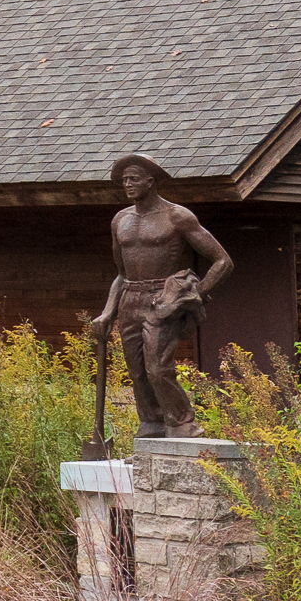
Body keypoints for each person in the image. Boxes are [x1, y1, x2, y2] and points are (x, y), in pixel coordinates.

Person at [98, 153, 231, 436]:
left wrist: (195, 295)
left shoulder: (177, 216)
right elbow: (121, 274)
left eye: (133, 178)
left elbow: (222, 261)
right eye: (124, 180)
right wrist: (108, 312)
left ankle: (183, 422)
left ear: (151, 180)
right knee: (136, 371)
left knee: (157, 369)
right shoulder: (120, 220)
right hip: (129, 300)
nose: (128, 184)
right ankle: (152, 422)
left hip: (161, 300)